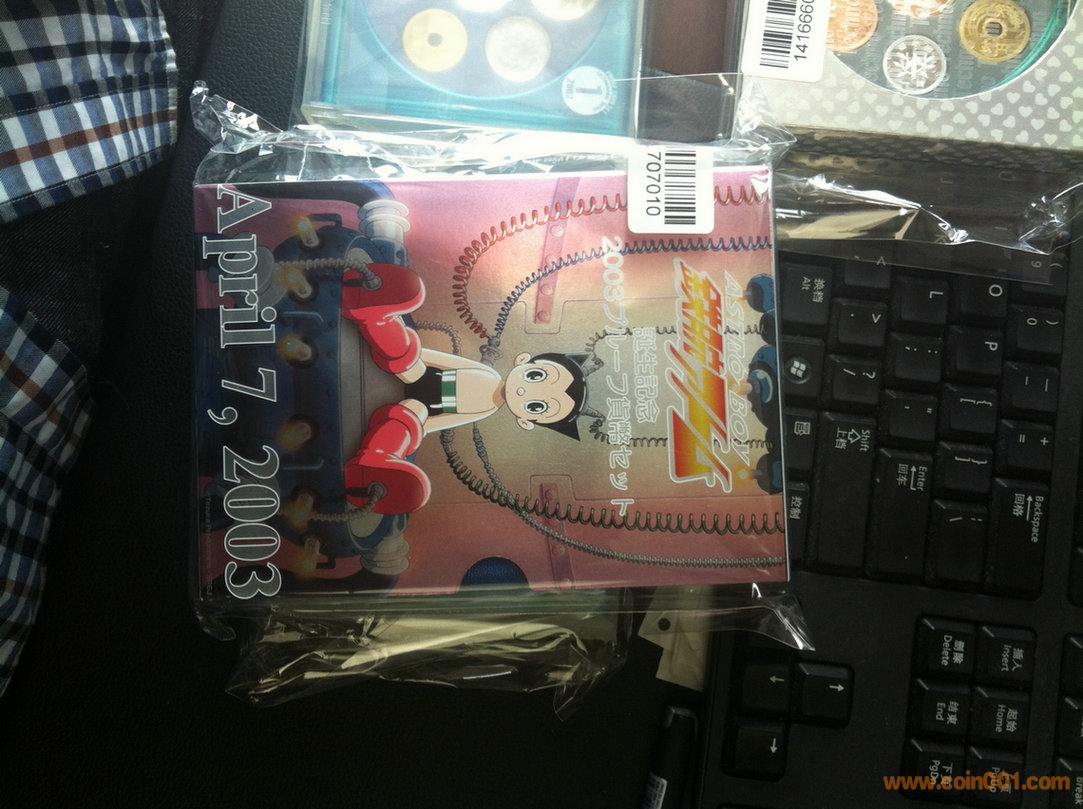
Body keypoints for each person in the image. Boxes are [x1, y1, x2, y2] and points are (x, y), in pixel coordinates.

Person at [338, 263, 589, 515]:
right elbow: (448, 362)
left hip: (426, 407)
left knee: (411, 419)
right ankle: (376, 316)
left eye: (537, 406)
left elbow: (451, 419)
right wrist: (415, 354)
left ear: (525, 421)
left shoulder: (487, 409)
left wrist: (421, 427)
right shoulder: (488, 374)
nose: (525, 392)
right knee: (405, 356)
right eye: (535, 376)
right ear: (523, 360)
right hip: (424, 374)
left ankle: (377, 460)